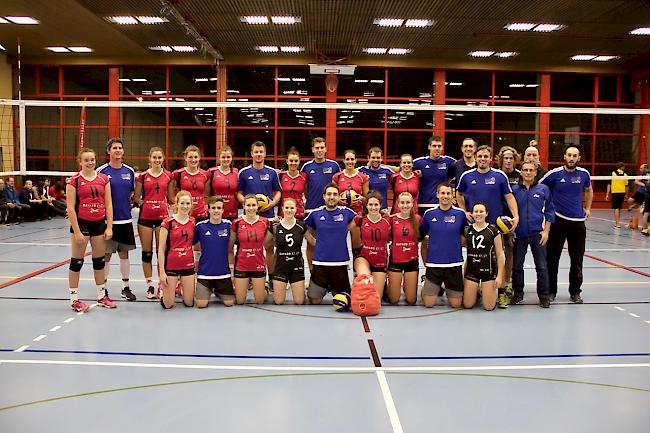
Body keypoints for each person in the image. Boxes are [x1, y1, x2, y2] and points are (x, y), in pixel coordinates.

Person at [456, 144, 519, 308]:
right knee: (472, 256)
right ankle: (472, 287)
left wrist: (516, 216)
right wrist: (464, 211)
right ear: (476, 158)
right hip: (474, 225)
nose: (482, 159)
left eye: (485, 156)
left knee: (499, 257)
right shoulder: (467, 176)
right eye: (480, 156)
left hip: (495, 227)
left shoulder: (499, 176)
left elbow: (509, 197)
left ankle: (502, 291)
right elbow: (458, 194)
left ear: (490, 159)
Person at [540, 146, 593, 303]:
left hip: (577, 223)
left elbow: (588, 190)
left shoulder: (584, 174)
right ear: (565, 156)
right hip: (558, 221)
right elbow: (540, 187)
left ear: (579, 158)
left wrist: (588, 208)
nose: (571, 158)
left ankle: (575, 291)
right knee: (552, 258)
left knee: (577, 259)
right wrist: (546, 208)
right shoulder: (554, 174)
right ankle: (551, 292)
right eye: (569, 155)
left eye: (574, 155)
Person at [66, 148, 115, 312]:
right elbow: (70, 208)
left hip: (99, 224)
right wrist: (77, 231)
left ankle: (101, 296)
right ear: (80, 162)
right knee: (76, 262)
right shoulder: (74, 181)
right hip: (82, 224)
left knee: (99, 261)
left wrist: (109, 226)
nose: (90, 163)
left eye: (92, 159)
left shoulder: (103, 179)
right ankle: (74, 299)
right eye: (86, 160)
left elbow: (108, 204)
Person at [511, 160, 555, 308]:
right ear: (521, 172)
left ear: (536, 172)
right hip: (519, 234)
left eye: (531, 170)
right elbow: (509, 212)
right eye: (525, 170)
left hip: (538, 234)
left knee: (542, 267)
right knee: (517, 266)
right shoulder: (514, 190)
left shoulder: (544, 189)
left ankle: (543, 296)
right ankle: (518, 294)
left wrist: (546, 231)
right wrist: (511, 233)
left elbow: (550, 210)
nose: (528, 172)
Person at [97, 138, 137, 302]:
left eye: (120, 148)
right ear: (109, 151)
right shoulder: (101, 171)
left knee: (124, 255)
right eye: (114, 148)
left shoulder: (130, 171)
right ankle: (103, 288)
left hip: (125, 220)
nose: (117, 150)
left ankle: (125, 287)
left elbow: (132, 194)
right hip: (107, 222)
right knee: (106, 255)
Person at [304, 183, 357, 304]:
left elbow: (359, 221)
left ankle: (333, 288)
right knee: (314, 300)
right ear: (324, 196)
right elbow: (304, 229)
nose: (331, 197)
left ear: (339, 197)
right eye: (328, 194)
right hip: (320, 263)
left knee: (344, 301)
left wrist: (345, 229)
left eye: (334, 194)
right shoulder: (315, 214)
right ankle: (324, 287)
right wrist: (314, 242)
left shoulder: (347, 212)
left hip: (340, 264)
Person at [420, 183, 468, 308]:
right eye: (442, 193)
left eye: (448, 193)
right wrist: (426, 261)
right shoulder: (429, 214)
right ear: (437, 195)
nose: (445, 196)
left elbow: (465, 235)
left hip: (454, 264)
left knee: (456, 304)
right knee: (428, 304)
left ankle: (447, 287)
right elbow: (422, 237)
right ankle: (431, 287)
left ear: (452, 196)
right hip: (434, 264)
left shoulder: (460, 214)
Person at [134, 147, 173, 299]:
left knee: (161, 252)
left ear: (163, 159)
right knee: (147, 253)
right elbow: (137, 198)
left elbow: (170, 198)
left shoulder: (168, 176)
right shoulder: (142, 177)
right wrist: (143, 202)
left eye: (160, 158)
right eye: (154, 157)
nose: (157, 160)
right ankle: (149, 285)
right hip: (145, 218)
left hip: (162, 218)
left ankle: (161, 284)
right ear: (149, 159)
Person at [301, 137, 341, 268]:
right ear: (312, 149)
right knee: (311, 244)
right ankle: (313, 274)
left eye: (322, 147)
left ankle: (329, 271)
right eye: (316, 148)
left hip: (330, 211)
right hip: (311, 211)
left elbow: (337, 186)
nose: (319, 150)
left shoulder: (334, 165)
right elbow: (304, 187)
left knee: (331, 243)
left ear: (326, 149)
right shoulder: (306, 167)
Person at [267, 198, 313, 305]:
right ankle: (265, 285)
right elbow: (265, 243)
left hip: (296, 267)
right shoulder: (275, 227)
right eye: (286, 207)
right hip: (280, 267)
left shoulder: (301, 226)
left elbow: (312, 241)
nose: (289, 210)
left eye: (291, 208)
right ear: (282, 209)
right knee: (278, 302)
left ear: (296, 209)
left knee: (299, 301)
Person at [462, 202, 505, 311]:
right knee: (467, 305)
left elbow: (500, 255)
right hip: (472, 271)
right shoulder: (468, 230)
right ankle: (476, 291)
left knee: (489, 307)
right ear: (472, 213)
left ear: (486, 214)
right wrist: (464, 271)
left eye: (481, 211)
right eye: (476, 211)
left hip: (488, 271)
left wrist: (499, 276)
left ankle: (485, 291)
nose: (478, 214)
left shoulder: (493, 230)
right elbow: (467, 252)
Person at [230, 194, 272, 304]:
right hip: (242, 264)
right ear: (243, 206)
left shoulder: (264, 222)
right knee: (239, 301)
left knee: (260, 300)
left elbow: (267, 245)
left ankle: (265, 286)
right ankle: (245, 283)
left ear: (258, 206)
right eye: (248, 205)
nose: (251, 208)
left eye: (254, 205)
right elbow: (230, 244)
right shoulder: (237, 222)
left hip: (258, 264)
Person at [193, 196, 235, 308]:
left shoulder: (229, 225)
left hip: (223, 274)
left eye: (218, 208)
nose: (216, 210)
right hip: (204, 274)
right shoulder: (200, 226)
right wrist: (195, 263)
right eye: (213, 208)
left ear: (222, 210)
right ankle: (208, 290)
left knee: (229, 303)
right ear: (208, 209)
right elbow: (192, 246)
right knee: (201, 304)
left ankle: (218, 291)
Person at [158, 190, 196, 309]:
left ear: (191, 205)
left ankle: (181, 288)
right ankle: (163, 291)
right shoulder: (167, 223)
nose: (185, 206)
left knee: (189, 303)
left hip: (188, 265)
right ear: (177, 204)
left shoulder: (193, 222)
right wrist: (162, 273)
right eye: (182, 203)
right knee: (168, 305)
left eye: (188, 204)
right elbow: (161, 249)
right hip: (171, 266)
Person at [353, 191, 391, 298]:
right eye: (370, 204)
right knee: (365, 280)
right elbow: (344, 229)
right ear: (366, 205)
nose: (373, 207)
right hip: (364, 257)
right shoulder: (360, 219)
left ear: (380, 205)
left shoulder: (388, 220)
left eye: (376, 204)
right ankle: (358, 279)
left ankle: (383, 284)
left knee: (375, 297)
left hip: (380, 260)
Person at [386, 192, 421, 305]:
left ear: (412, 204)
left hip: (411, 260)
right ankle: (386, 287)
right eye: (402, 203)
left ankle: (408, 284)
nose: (405, 205)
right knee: (394, 300)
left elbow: (424, 236)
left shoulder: (418, 219)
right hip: (396, 260)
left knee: (411, 300)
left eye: (407, 202)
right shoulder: (391, 219)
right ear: (398, 204)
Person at [496, 145, 521, 299]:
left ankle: (508, 282)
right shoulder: (496, 175)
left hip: (512, 220)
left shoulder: (520, 176)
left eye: (511, 158)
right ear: (501, 160)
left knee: (510, 251)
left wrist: (515, 218)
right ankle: (496, 281)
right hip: (496, 219)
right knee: (495, 252)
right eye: (506, 158)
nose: (508, 161)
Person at [172, 145, 210, 222]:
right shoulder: (178, 174)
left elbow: (207, 195)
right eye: (190, 157)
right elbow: (171, 195)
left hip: (201, 214)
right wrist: (178, 207)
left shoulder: (205, 174)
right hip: (184, 214)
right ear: (185, 158)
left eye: (196, 157)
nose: (193, 160)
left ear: (199, 158)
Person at [359, 146, 397, 213]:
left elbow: (401, 172)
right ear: (368, 158)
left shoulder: (387, 171)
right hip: (367, 210)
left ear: (382, 158)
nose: (376, 160)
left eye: (378, 158)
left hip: (383, 210)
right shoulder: (362, 170)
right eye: (373, 158)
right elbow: (349, 172)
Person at [333, 149, 369, 215]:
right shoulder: (337, 177)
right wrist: (339, 199)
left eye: (352, 159)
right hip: (341, 212)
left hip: (357, 212)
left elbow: (367, 199)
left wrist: (360, 198)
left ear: (355, 160)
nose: (350, 162)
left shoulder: (362, 177)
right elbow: (332, 196)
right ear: (343, 160)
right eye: (347, 159)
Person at [209, 145, 239, 221]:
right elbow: (206, 194)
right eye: (223, 157)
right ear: (219, 158)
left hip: (232, 212)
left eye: (228, 157)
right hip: (216, 212)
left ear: (232, 158)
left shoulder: (236, 172)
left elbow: (237, 193)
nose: (226, 159)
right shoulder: (211, 172)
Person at [279, 147, 308, 219]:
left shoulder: (304, 176)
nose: (293, 163)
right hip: (284, 214)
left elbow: (307, 193)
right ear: (287, 161)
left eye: (296, 161)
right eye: (291, 161)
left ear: (299, 161)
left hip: (299, 214)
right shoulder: (281, 176)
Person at [605, 162, 629, 229]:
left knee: (616, 208)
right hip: (622, 192)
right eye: (624, 167)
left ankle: (617, 223)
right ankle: (617, 222)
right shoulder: (625, 175)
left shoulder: (612, 173)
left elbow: (609, 184)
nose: (624, 168)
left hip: (615, 192)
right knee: (619, 208)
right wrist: (626, 195)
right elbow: (627, 186)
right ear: (621, 167)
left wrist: (607, 194)